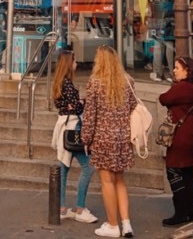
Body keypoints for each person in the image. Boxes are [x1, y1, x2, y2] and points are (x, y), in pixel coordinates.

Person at [81, 45, 135, 239]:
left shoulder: (95, 83)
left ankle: (113, 225)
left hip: (103, 137)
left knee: (107, 181)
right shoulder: (128, 81)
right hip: (123, 137)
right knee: (120, 180)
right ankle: (126, 223)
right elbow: (133, 107)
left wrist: (85, 138)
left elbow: (90, 115)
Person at [51, 50, 97, 224]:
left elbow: (66, 105)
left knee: (63, 168)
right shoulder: (68, 84)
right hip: (73, 128)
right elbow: (76, 108)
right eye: (75, 60)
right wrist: (80, 103)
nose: (77, 63)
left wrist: (75, 104)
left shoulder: (58, 83)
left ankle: (62, 207)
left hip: (63, 127)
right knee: (88, 167)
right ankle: (80, 207)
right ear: (69, 64)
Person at [158, 56, 193, 226]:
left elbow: (164, 99)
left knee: (174, 171)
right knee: (187, 172)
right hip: (192, 132)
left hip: (182, 135)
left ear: (187, 71)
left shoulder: (183, 87)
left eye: (177, 68)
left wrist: (173, 88)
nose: (174, 70)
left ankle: (181, 212)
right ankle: (190, 210)